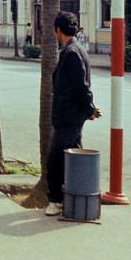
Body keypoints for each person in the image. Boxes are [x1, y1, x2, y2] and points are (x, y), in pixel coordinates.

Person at [45, 11, 100, 217]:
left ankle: (56, 201)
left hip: (68, 116)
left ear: (57, 30)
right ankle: (77, 196)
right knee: (73, 155)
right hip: (72, 115)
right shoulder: (77, 50)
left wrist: (89, 109)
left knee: (55, 159)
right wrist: (89, 109)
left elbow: (81, 86)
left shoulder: (71, 53)